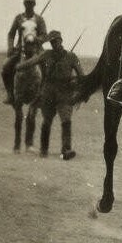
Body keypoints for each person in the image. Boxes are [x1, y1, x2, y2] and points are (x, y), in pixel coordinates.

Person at [17, 30, 83, 159]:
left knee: (66, 120)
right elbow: (31, 62)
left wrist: (78, 90)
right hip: (48, 92)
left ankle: (66, 150)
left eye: (56, 41)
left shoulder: (72, 57)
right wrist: (18, 66)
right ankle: (44, 149)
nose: (54, 44)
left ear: (61, 41)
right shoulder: (46, 54)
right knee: (47, 120)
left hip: (65, 92)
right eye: (52, 42)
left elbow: (81, 75)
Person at [1, 0, 48, 104]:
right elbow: (11, 34)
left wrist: (37, 39)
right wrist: (10, 47)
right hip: (20, 50)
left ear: (34, 4)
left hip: (36, 50)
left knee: (47, 66)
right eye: (27, 2)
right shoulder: (18, 18)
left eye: (31, 2)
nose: (29, 4)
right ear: (24, 3)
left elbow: (44, 35)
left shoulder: (39, 19)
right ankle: (10, 94)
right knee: (6, 68)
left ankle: (43, 93)